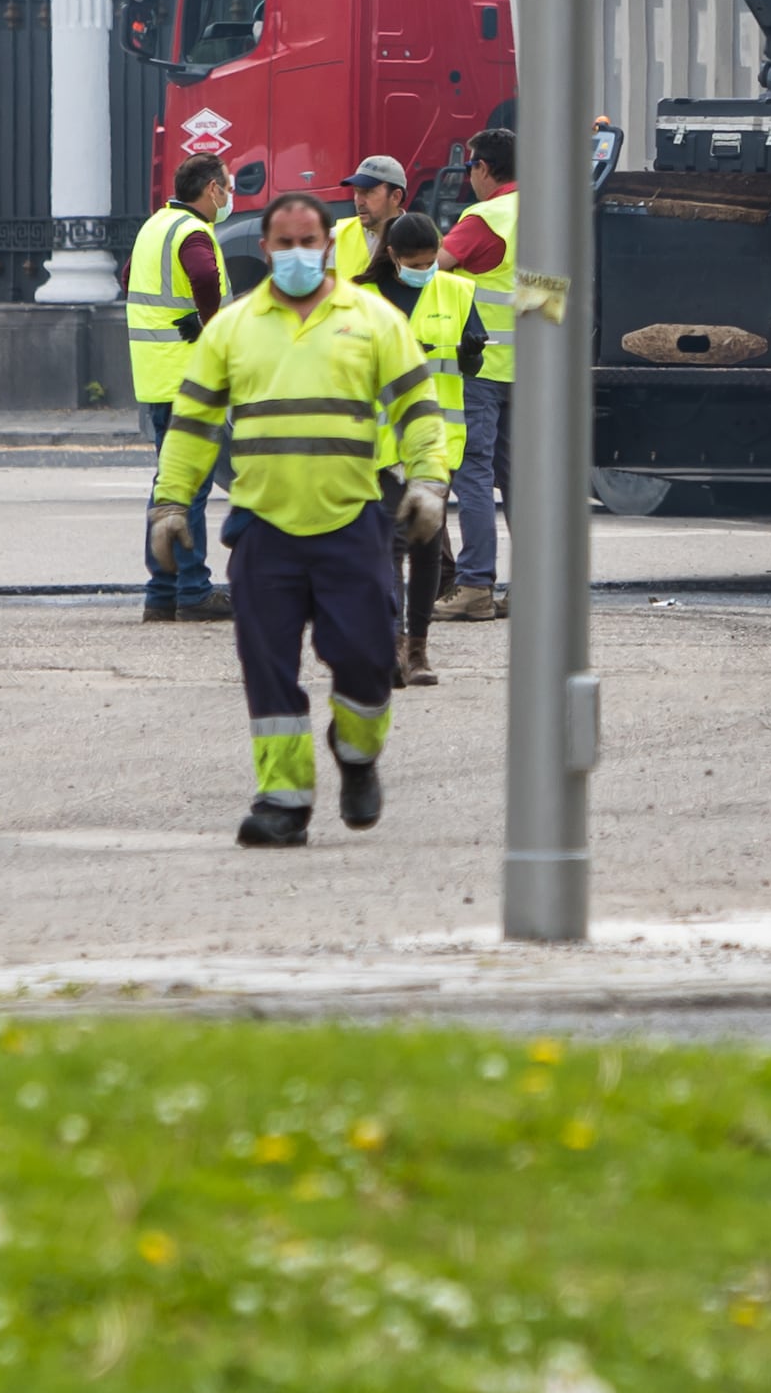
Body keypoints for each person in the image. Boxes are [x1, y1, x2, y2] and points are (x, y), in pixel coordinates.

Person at [145, 192, 447, 848]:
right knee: (268, 665)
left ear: (328, 246)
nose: (297, 254)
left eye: (309, 241)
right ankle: (283, 801)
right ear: (266, 251)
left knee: (368, 659)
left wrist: (428, 481)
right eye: (284, 244)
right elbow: (193, 422)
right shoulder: (233, 328)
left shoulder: (372, 319)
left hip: (352, 522)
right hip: (264, 529)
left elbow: (419, 407)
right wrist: (171, 502)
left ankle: (358, 750)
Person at [121, 154, 234, 621]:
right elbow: (205, 276)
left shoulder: (155, 226)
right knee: (190, 486)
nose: (229, 197)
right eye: (226, 187)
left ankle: (161, 591)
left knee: (170, 483)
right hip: (190, 376)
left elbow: (126, 277)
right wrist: (210, 326)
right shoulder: (191, 232)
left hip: (156, 376)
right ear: (211, 189)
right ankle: (192, 590)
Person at [370, 209, 477, 681]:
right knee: (392, 542)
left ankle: (418, 650)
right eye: (414, 261)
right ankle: (392, 646)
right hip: (382, 441)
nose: (425, 268)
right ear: (392, 256)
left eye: (431, 259)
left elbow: (468, 366)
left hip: (436, 440)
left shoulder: (457, 291)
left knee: (427, 543)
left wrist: (472, 351)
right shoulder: (363, 298)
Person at [431, 120, 522, 618]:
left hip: (481, 368)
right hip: (530, 370)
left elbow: (432, 268)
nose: (469, 178)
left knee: (472, 474)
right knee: (520, 481)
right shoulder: (544, 214)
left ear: (484, 168)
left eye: (470, 167)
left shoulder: (485, 217)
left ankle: (474, 586)